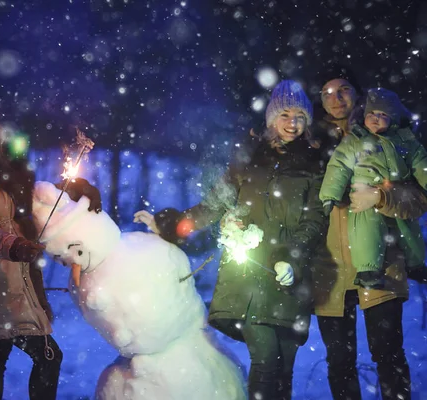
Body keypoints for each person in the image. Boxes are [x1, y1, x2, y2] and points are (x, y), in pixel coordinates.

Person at [135, 80, 327, 400]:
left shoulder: (315, 165)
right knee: (265, 362)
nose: (292, 124)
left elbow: (314, 219)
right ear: (271, 119)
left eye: (299, 117)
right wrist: (171, 226)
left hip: (290, 279)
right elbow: (214, 204)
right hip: (249, 276)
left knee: (284, 368)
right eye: (285, 115)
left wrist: (291, 258)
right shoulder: (249, 160)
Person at [0, 82, 102, 400]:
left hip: (16, 263)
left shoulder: (4, 156)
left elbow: (24, 201)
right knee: (47, 354)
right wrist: (14, 246)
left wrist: (71, 189)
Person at [311, 67, 427, 400]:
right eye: (328, 92)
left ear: (359, 96)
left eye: (344, 88)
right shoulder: (310, 144)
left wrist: (382, 196)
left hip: (382, 261)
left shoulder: (393, 139)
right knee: (340, 360)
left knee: (388, 354)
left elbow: (419, 197)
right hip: (328, 264)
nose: (336, 97)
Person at [319, 87, 427, 289]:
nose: (375, 118)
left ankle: (417, 263)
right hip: (364, 193)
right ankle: (368, 269)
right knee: (366, 230)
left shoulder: (405, 141)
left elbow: (421, 163)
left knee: (408, 229)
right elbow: (339, 165)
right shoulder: (356, 140)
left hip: (397, 192)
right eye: (371, 114)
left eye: (382, 114)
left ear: (393, 119)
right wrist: (329, 195)